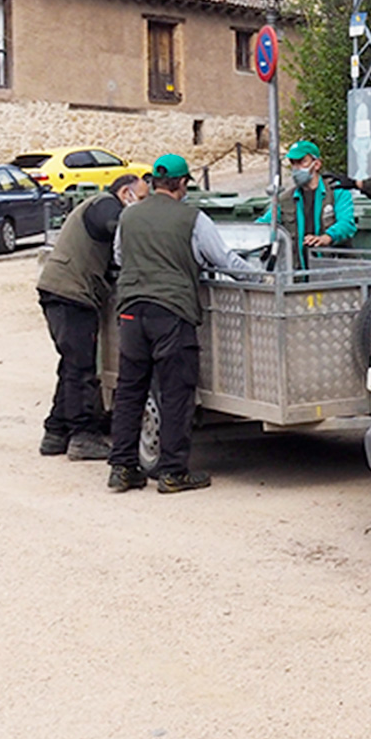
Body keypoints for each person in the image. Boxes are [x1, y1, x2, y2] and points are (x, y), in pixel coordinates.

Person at [106, 154, 256, 494]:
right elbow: (224, 260)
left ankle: (122, 468)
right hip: (171, 313)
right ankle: (173, 472)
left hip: (130, 313)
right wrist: (263, 277)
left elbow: (119, 257)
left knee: (130, 391)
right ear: (183, 183)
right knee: (176, 393)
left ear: (155, 182)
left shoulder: (129, 216)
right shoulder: (193, 218)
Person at [36, 173, 148, 460]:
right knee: (82, 368)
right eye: (142, 198)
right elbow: (117, 228)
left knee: (71, 364)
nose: (144, 205)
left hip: (61, 290)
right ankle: (83, 436)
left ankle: (56, 431)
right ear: (126, 193)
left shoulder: (98, 205)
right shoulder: (104, 206)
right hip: (72, 294)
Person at [261, 139, 355, 269]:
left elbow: (347, 224)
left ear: (316, 165)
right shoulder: (285, 199)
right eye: (293, 163)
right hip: (297, 275)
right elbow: (266, 224)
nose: (296, 168)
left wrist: (326, 237)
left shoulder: (337, 192)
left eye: (302, 162)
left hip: (332, 273)